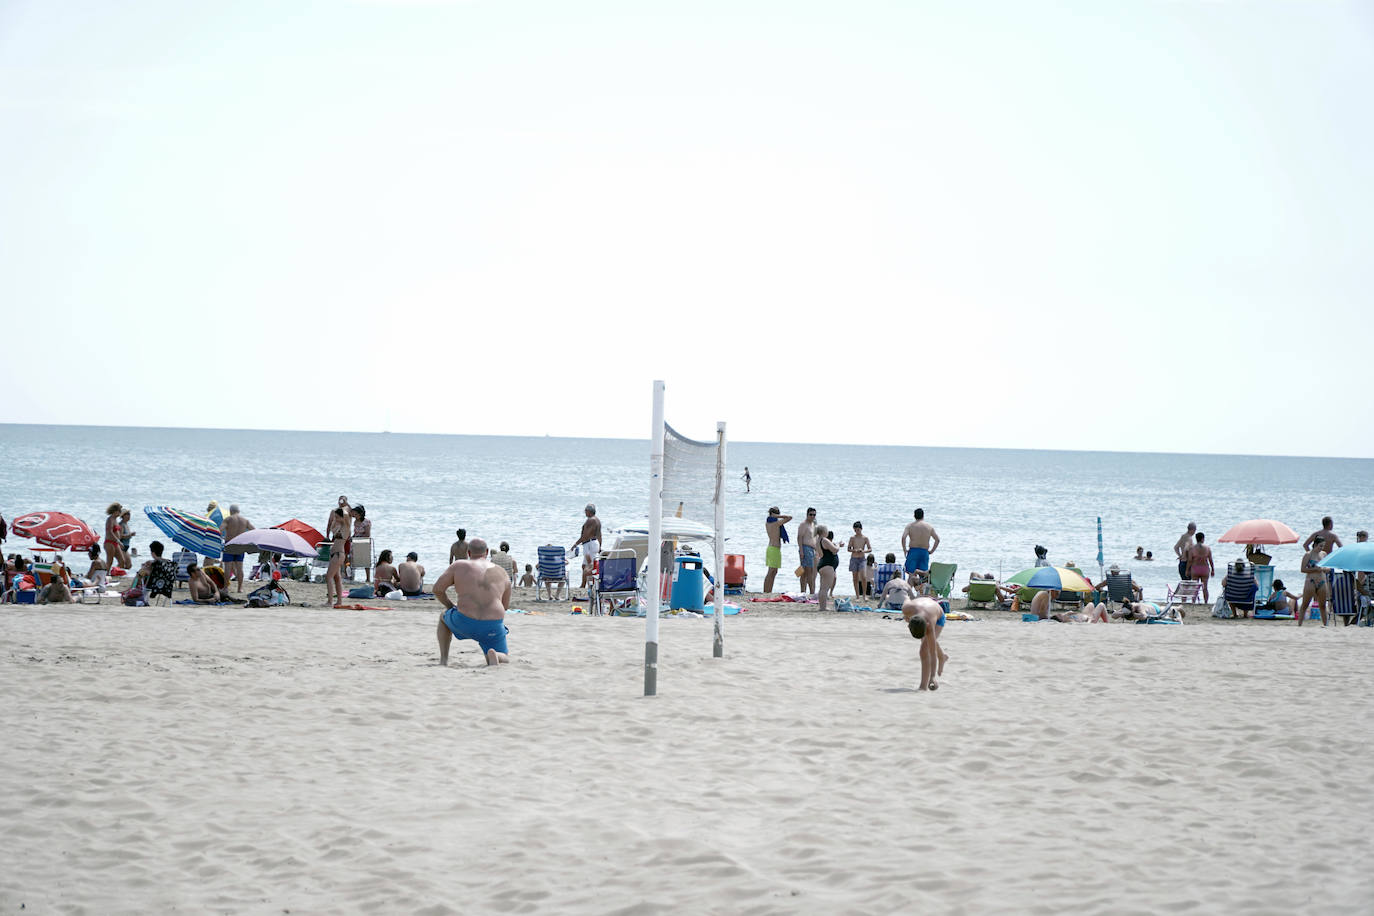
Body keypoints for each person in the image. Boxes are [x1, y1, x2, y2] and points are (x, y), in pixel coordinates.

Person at [434, 538, 511, 667]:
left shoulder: (458, 565)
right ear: (486, 552)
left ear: (468, 553)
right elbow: (505, 606)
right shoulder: (502, 572)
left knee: (443, 617)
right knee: (505, 657)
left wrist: (449, 606)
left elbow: (437, 589)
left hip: (465, 620)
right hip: (492, 625)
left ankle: (444, 660)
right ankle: (496, 655)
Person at [902, 596, 948, 692]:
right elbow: (906, 596)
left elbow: (932, 653)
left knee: (924, 650)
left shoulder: (930, 625)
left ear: (927, 626)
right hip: (923, 606)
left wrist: (933, 677)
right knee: (929, 642)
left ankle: (923, 686)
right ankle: (942, 657)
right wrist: (906, 616)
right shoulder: (906, 608)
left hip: (938, 615)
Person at [220, 504, 255, 593]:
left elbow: (220, 529)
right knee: (240, 568)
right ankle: (240, 588)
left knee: (227, 567)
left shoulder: (228, 519)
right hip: (240, 545)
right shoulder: (245, 520)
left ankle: (225, 587)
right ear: (238, 511)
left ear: (230, 511)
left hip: (230, 545)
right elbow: (254, 530)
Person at [324, 499, 351, 607]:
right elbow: (331, 527)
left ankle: (330, 601)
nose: (335, 519)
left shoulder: (346, 526)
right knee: (336, 578)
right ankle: (339, 601)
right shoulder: (337, 526)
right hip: (334, 553)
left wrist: (343, 504)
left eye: (337, 517)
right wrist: (335, 515)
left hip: (339, 553)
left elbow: (347, 512)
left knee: (328, 576)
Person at [1295, 539, 1329, 627]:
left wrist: (1324, 569)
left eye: (1323, 546)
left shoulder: (1324, 554)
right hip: (1311, 581)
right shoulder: (1308, 555)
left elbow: (1328, 568)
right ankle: (1300, 625)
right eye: (1320, 546)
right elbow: (1303, 569)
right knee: (1305, 604)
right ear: (1315, 545)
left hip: (1322, 580)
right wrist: (1315, 569)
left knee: (1322, 605)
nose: (1321, 548)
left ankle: (1326, 625)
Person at [901, 508, 940, 583]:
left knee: (911, 574)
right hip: (924, 552)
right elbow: (937, 540)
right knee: (924, 575)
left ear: (914, 516)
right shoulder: (929, 527)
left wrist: (904, 550)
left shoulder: (910, 526)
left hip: (913, 551)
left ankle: (909, 592)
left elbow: (903, 538)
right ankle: (923, 593)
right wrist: (932, 551)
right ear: (923, 516)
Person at [570, 504, 602, 590]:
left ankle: (589, 585)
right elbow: (599, 535)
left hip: (589, 544)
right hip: (594, 543)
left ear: (589, 511)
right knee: (584, 566)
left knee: (590, 566)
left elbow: (585, 535)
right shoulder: (597, 520)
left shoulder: (590, 520)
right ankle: (584, 584)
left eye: (585, 511)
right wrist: (600, 547)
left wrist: (576, 544)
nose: (585, 512)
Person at [763, 508, 791, 593]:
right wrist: (777, 516)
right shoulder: (774, 523)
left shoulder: (774, 523)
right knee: (771, 571)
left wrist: (776, 516)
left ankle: (769, 590)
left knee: (774, 571)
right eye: (777, 514)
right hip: (773, 549)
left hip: (774, 549)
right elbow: (789, 517)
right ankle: (766, 591)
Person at [815, 525, 840, 612]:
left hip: (823, 564)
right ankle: (823, 607)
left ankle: (822, 606)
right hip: (827, 565)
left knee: (822, 588)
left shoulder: (818, 540)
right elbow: (835, 550)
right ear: (824, 531)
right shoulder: (824, 539)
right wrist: (838, 545)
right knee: (825, 588)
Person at [1185, 531, 1214, 602]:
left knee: (1195, 587)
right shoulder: (1207, 548)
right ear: (1202, 539)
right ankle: (1206, 602)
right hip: (1205, 569)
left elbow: (1190, 560)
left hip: (1195, 568)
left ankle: (1193, 601)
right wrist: (1213, 569)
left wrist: (1187, 570)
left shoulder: (1192, 548)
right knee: (1205, 588)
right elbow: (1210, 560)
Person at [846, 521, 871, 598]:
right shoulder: (852, 538)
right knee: (855, 578)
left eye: (858, 530)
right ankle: (857, 595)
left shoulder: (865, 538)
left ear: (861, 529)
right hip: (854, 558)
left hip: (862, 559)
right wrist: (855, 550)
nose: (857, 531)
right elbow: (848, 549)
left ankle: (864, 595)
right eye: (855, 530)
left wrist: (863, 551)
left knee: (863, 577)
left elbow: (870, 549)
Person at [796, 508, 818, 595]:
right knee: (807, 571)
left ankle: (806, 591)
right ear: (807, 514)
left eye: (814, 515)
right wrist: (801, 551)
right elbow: (799, 537)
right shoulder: (803, 525)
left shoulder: (813, 525)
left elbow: (815, 538)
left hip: (812, 549)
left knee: (808, 571)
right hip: (805, 548)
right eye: (811, 514)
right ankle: (808, 591)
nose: (812, 516)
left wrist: (817, 550)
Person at [351, 506, 372, 582]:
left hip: (364, 542)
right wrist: (352, 537)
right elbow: (355, 532)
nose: (354, 516)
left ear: (360, 514)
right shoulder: (355, 522)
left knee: (366, 560)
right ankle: (352, 576)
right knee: (353, 559)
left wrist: (358, 538)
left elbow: (367, 534)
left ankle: (368, 578)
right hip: (355, 541)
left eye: (356, 514)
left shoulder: (366, 522)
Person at [104, 503, 125, 574]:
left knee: (122, 561)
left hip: (116, 542)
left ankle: (115, 572)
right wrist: (118, 541)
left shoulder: (116, 520)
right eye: (119, 510)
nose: (120, 512)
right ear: (115, 511)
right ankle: (105, 575)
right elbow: (109, 532)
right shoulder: (110, 519)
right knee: (110, 561)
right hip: (109, 542)